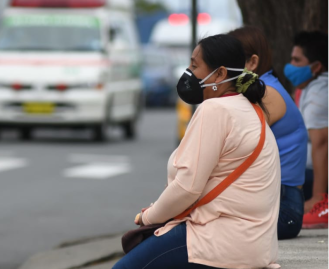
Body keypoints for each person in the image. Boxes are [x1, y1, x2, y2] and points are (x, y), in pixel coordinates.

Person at [113, 34, 280, 269]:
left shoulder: (215, 109)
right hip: (254, 243)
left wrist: (148, 217)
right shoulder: (251, 109)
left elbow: (187, 188)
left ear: (220, 74)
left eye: (194, 65)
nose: (189, 73)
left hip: (219, 240)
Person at [228, 26, 307, 239]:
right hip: (270, 203)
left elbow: (233, 147)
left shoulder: (268, 93)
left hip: (283, 210)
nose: (223, 69)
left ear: (252, 62)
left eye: (229, 61)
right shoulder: (264, 87)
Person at [284, 31, 328, 229]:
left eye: (296, 60)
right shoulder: (308, 87)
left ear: (316, 66)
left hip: (314, 177)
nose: (290, 66)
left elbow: (321, 143)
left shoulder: (320, 93)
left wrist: (317, 198)